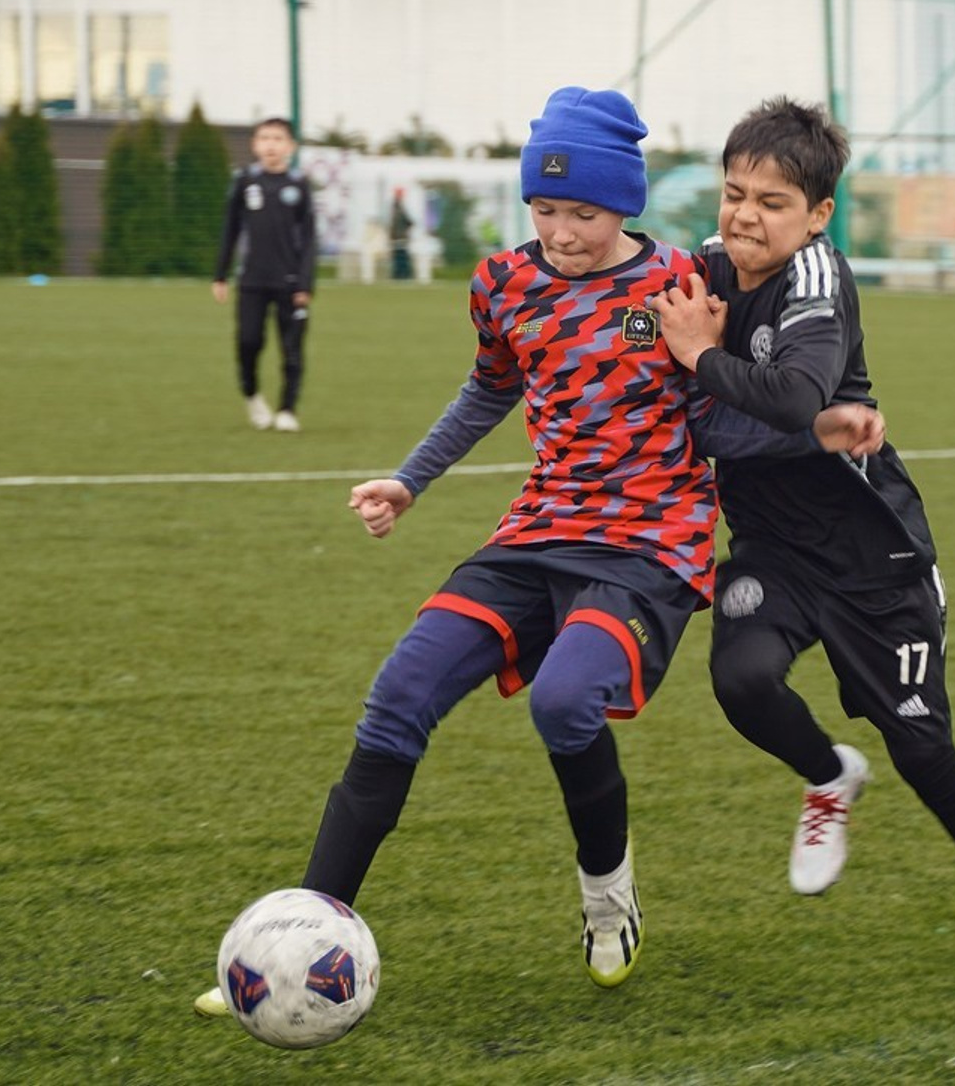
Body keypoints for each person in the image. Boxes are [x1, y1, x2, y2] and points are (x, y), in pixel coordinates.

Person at [194, 87, 882, 1017]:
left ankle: (609, 900)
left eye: (584, 213)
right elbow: (487, 391)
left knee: (565, 702)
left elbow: (727, 408)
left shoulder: (684, 285)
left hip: (649, 545)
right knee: (398, 698)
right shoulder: (503, 284)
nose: (562, 231)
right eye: (546, 209)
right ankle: (301, 940)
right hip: (537, 532)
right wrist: (409, 480)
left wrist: (822, 429)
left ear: (625, 204)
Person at [650, 96, 955, 974]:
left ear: (818, 214)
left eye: (773, 201)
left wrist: (700, 359)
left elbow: (795, 397)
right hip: (773, 547)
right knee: (743, 681)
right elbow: (642, 329)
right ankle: (829, 774)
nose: (746, 214)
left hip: (874, 558)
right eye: (734, 192)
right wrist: (654, 326)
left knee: (922, 750)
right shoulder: (704, 271)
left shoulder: (818, 280)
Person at [212, 117, 317, 432]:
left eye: (277, 138)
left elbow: (310, 239)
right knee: (248, 341)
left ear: (290, 147)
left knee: (292, 348)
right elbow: (230, 230)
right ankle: (252, 394)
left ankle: (287, 408)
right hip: (252, 281)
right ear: (255, 144)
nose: (270, 145)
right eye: (264, 138)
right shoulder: (245, 182)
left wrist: (305, 283)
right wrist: (220, 274)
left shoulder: (299, 185)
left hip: (290, 283)